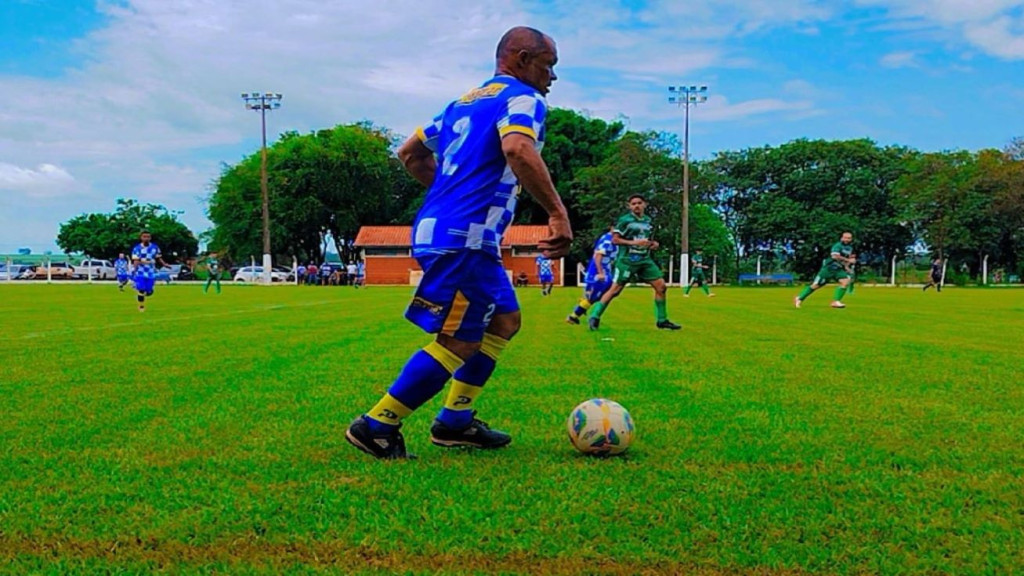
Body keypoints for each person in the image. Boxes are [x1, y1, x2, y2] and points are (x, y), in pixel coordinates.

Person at [345, 26, 571, 460]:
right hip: (464, 238)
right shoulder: (524, 98)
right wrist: (557, 213)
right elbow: (518, 149)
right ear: (523, 59)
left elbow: (409, 152)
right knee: (460, 340)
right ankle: (377, 425)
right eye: (549, 65)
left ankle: (455, 422)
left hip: (449, 231)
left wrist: (449, 194)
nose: (553, 77)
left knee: (504, 320)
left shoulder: (461, 104)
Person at [588, 195, 681, 331]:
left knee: (661, 287)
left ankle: (662, 320)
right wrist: (634, 243)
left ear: (645, 204)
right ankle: (594, 316)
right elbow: (615, 240)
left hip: (644, 259)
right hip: (627, 260)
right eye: (633, 203)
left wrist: (652, 244)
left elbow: (645, 239)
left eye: (639, 203)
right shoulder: (625, 221)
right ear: (629, 206)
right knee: (615, 290)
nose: (636, 206)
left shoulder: (648, 221)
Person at [567, 226, 617, 324]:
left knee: (605, 294)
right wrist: (600, 273)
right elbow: (598, 255)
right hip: (597, 274)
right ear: (612, 228)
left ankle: (579, 310)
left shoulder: (610, 238)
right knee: (594, 297)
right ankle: (573, 316)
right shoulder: (608, 241)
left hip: (605, 272)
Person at [794, 232, 855, 309]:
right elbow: (835, 256)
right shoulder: (837, 246)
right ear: (841, 238)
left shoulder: (850, 248)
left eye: (849, 238)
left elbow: (844, 259)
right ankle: (800, 298)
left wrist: (847, 267)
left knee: (845, 282)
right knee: (815, 285)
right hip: (828, 269)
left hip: (838, 269)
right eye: (845, 237)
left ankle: (836, 301)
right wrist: (848, 260)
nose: (847, 239)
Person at [130, 230, 168, 312]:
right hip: (140, 271)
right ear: (141, 238)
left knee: (149, 291)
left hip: (151, 272)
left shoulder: (154, 247)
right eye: (144, 237)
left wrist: (164, 264)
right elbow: (136, 260)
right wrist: (134, 270)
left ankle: (142, 292)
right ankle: (141, 306)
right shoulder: (137, 248)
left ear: (150, 238)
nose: (146, 238)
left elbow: (158, 257)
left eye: (148, 237)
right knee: (141, 289)